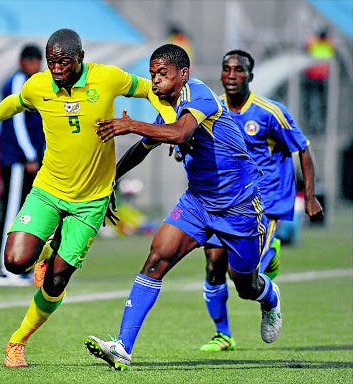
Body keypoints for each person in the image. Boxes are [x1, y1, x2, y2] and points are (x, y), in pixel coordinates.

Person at [0, 28, 175, 368]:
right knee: (15, 262)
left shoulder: (106, 78)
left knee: (57, 280)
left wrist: (169, 125)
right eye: (52, 63)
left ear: (80, 58)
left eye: (64, 62)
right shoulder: (38, 85)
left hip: (91, 201)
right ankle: (47, 249)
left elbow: (150, 90)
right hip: (48, 191)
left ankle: (17, 341)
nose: (57, 69)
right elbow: (14, 102)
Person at [84, 44, 282, 370]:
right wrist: (111, 180)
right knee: (156, 258)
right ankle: (122, 348)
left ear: (183, 74)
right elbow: (146, 145)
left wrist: (132, 124)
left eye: (162, 74)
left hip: (239, 206)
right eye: (152, 75)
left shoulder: (199, 94)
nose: (155, 81)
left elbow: (179, 134)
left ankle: (269, 296)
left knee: (244, 284)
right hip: (197, 202)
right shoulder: (166, 106)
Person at [196, 50, 324, 352]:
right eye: (226, 69)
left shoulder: (270, 112)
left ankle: (270, 288)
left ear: (250, 76)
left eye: (238, 70)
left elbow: (302, 148)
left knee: (243, 282)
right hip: (225, 201)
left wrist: (311, 196)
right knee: (213, 265)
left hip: (263, 206)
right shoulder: (212, 109)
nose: (231, 75)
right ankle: (222, 335)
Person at [0, 44, 46, 287]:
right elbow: (17, 124)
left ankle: (19, 266)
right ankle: (5, 270)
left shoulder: (38, 84)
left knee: (25, 215)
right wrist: (29, 156)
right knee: (11, 214)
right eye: (34, 62)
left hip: (32, 160)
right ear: (24, 62)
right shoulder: (17, 84)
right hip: (17, 161)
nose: (37, 67)